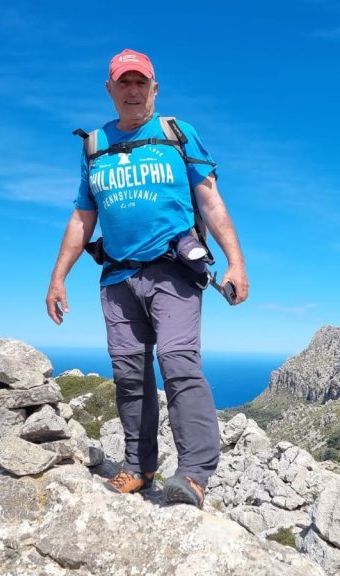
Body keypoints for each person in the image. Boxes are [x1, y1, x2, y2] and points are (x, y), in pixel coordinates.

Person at [45, 49, 248, 509]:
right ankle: (139, 468)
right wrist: (58, 278)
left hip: (173, 271)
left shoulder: (177, 133)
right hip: (117, 278)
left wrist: (235, 261)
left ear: (154, 89)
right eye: (124, 83)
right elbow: (82, 217)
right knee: (129, 375)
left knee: (178, 362)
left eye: (141, 83)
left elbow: (211, 201)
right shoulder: (94, 145)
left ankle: (194, 474)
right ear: (110, 90)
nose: (133, 91)